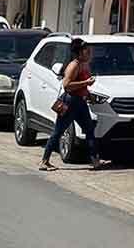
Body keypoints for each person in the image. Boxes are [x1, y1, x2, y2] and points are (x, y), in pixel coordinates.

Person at [40, 38, 98, 171]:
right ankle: (44, 161)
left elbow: (82, 85)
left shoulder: (84, 65)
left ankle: (94, 158)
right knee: (58, 131)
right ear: (79, 52)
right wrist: (86, 83)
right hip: (70, 102)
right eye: (86, 50)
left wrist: (88, 94)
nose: (89, 53)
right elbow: (67, 85)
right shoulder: (74, 66)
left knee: (89, 129)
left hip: (81, 103)